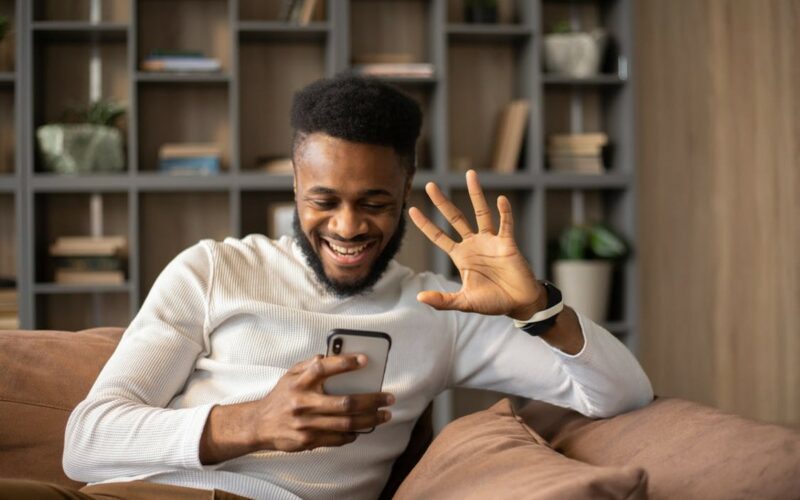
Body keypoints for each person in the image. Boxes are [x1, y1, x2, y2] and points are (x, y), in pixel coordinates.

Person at [1, 75, 652, 500]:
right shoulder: (213, 269)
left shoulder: (441, 310)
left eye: (374, 202)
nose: (346, 227)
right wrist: (250, 423)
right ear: (294, 184)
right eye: (324, 200)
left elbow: (623, 395)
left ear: (405, 187)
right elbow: (87, 443)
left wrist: (538, 307)